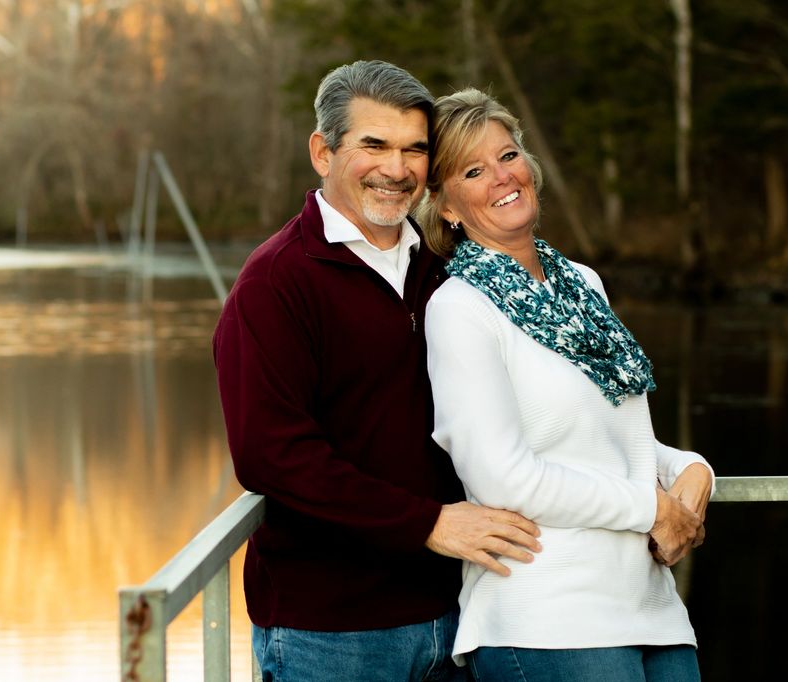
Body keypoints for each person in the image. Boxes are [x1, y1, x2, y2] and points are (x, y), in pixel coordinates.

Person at [212, 62, 542, 682]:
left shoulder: (446, 271)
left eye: (415, 149)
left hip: (462, 611)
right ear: (322, 152)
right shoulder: (276, 282)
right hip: (333, 633)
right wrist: (429, 523)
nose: (397, 169)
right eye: (374, 145)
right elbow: (270, 455)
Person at [416, 88, 715, 682]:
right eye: (473, 171)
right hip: (547, 618)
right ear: (447, 206)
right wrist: (650, 505)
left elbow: (607, 440)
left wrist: (694, 468)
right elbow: (502, 476)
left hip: (649, 605)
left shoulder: (582, 283)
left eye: (508, 155)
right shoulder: (461, 308)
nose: (502, 177)